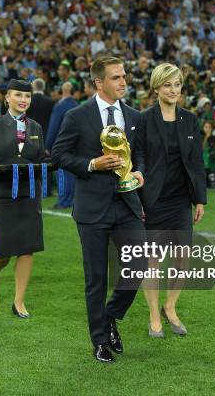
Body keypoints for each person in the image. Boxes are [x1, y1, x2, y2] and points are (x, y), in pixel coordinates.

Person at [51, 56, 144, 363]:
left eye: (125, 77)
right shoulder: (78, 116)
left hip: (127, 205)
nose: (123, 82)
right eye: (117, 77)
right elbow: (60, 155)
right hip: (92, 208)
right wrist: (93, 164)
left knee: (139, 265)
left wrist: (140, 173)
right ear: (98, 82)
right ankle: (100, 341)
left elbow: (141, 156)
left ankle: (110, 316)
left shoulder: (133, 116)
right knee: (96, 279)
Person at [132, 62, 207, 338]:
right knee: (152, 261)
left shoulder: (190, 119)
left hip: (180, 201)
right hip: (153, 199)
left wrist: (199, 199)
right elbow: (138, 156)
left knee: (182, 260)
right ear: (156, 88)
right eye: (167, 85)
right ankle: (154, 317)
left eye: (177, 84)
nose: (173, 90)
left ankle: (170, 307)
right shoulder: (144, 119)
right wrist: (137, 193)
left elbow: (196, 161)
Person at [0, 79, 45, 319]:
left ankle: (19, 301)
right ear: (7, 98)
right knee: (4, 250)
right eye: (18, 95)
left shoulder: (36, 127)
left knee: (27, 249)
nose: (23, 100)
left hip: (30, 194)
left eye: (27, 97)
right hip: (3, 194)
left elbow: (41, 157)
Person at [46, 81, 78, 209]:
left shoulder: (59, 106)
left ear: (62, 91)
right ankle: (71, 200)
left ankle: (64, 201)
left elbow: (54, 127)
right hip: (76, 145)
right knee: (72, 173)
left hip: (62, 145)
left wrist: (48, 145)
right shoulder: (77, 105)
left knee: (63, 173)